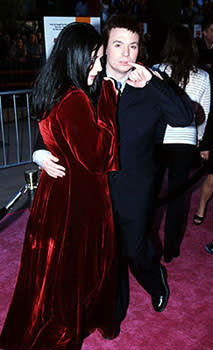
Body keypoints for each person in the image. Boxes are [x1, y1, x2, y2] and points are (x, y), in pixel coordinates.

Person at [33, 15, 194, 326]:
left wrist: (154, 84)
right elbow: (56, 114)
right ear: (104, 48)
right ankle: (114, 309)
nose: (126, 53)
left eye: (133, 46)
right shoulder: (89, 79)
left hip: (137, 186)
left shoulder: (151, 82)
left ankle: (154, 277)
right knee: (107, 255)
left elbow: (184, 116)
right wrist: (39, 150)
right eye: (118, 45)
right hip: (95, 187)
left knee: (135, 248)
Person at [0, 22, 120, 350]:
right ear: (75, 58)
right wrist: (108, 100)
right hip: (76, 199)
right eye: (93, 59)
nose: (98, 67)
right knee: (70, 273)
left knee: (51, 272)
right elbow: (99, 157)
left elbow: (55, 135)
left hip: (59, 195)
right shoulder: (75, 98)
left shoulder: (55, 90)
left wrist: (40, 152)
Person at [152, 24, 211, 263]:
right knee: (178, 196)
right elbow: (204, 114)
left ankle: (149, 243)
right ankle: (171, 249)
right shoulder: (203, 76)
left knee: (152, 193)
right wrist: (198, 139)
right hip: (185, 143)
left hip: (158, 139)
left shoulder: (157, 70)